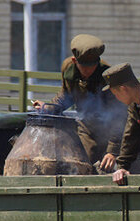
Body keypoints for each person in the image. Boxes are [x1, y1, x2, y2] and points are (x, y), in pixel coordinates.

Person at [32, 34, 126, 172]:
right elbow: (67, 95)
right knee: (81, 163)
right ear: (74, 60)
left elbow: (118, 116)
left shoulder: (107, 75)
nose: (88, 71)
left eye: (92, 66)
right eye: (84, 66)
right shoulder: (68, 68)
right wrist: (48, 107)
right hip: (86, 125)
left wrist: (112, 151)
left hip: (110, 130)